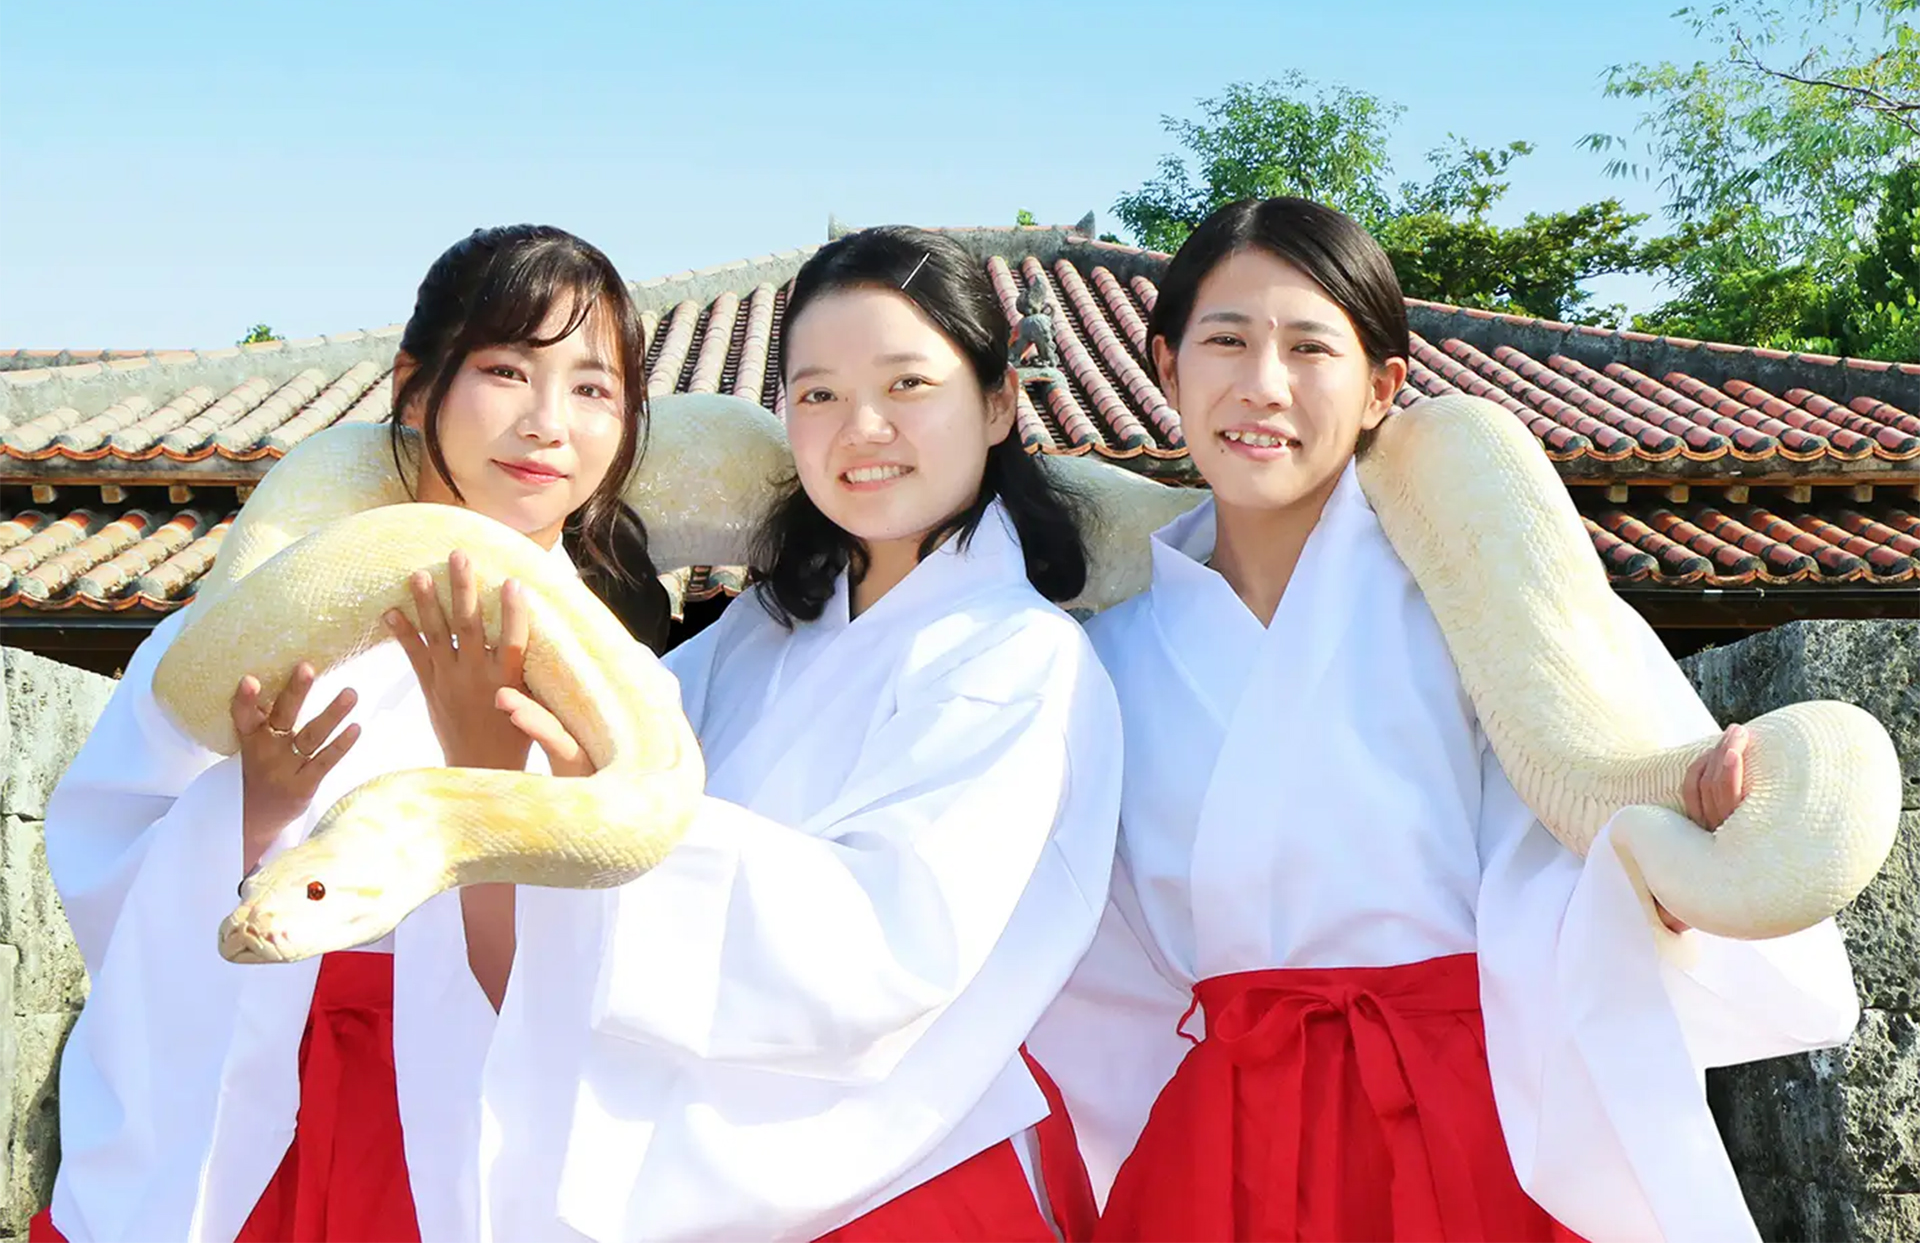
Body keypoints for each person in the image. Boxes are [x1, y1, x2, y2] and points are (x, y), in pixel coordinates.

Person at [1026, 197, 1860, 1242]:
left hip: (1454, 1107)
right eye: (1226, 341)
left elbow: (1555, 850)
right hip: (1219, 1132)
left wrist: (1663, 852)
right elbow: (1096, 967)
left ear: (1382, 385)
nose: (1262, 385)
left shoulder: (1472, 597)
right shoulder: (1104, 659)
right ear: (1165, 360)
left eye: (1311, 348)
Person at [477, 226, 1121, 1241]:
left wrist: (603, 812)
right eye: (818, 393)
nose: (860, 426)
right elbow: (606, 735)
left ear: (998, 402)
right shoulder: (756, 634)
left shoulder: (1023, 659)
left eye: (908, 384)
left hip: (911, 1173)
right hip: (694, 1164)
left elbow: (893, 943)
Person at [36, 223, 660, 1243]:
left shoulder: (622, 683)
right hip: (249, 1095)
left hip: (461, 1125)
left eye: (594, 388)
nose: (549, 423)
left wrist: (493, 788)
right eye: (508, 369)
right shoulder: (254, 624)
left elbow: (607, 977)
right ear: (418, 389)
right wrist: (253, 804)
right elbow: (109, 850)